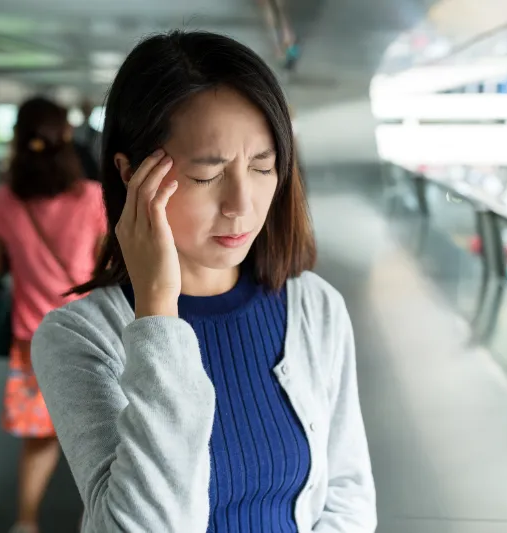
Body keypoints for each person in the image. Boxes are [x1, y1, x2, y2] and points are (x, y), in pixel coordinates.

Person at [31, 30, 376, 532]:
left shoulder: (315, 308)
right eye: (206, 175)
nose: (242, 205)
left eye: (263, 166)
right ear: (130, 174)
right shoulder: (79, 337)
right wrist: (156, 314)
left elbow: (347, 492)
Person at [0, 96, 106, 533]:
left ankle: (26, 522)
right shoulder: (93, 198)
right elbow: (110, 261)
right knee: (102, 432)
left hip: (34, 336)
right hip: (92, 332)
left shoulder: (3, 201)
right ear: (66, 138)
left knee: (41, 437)